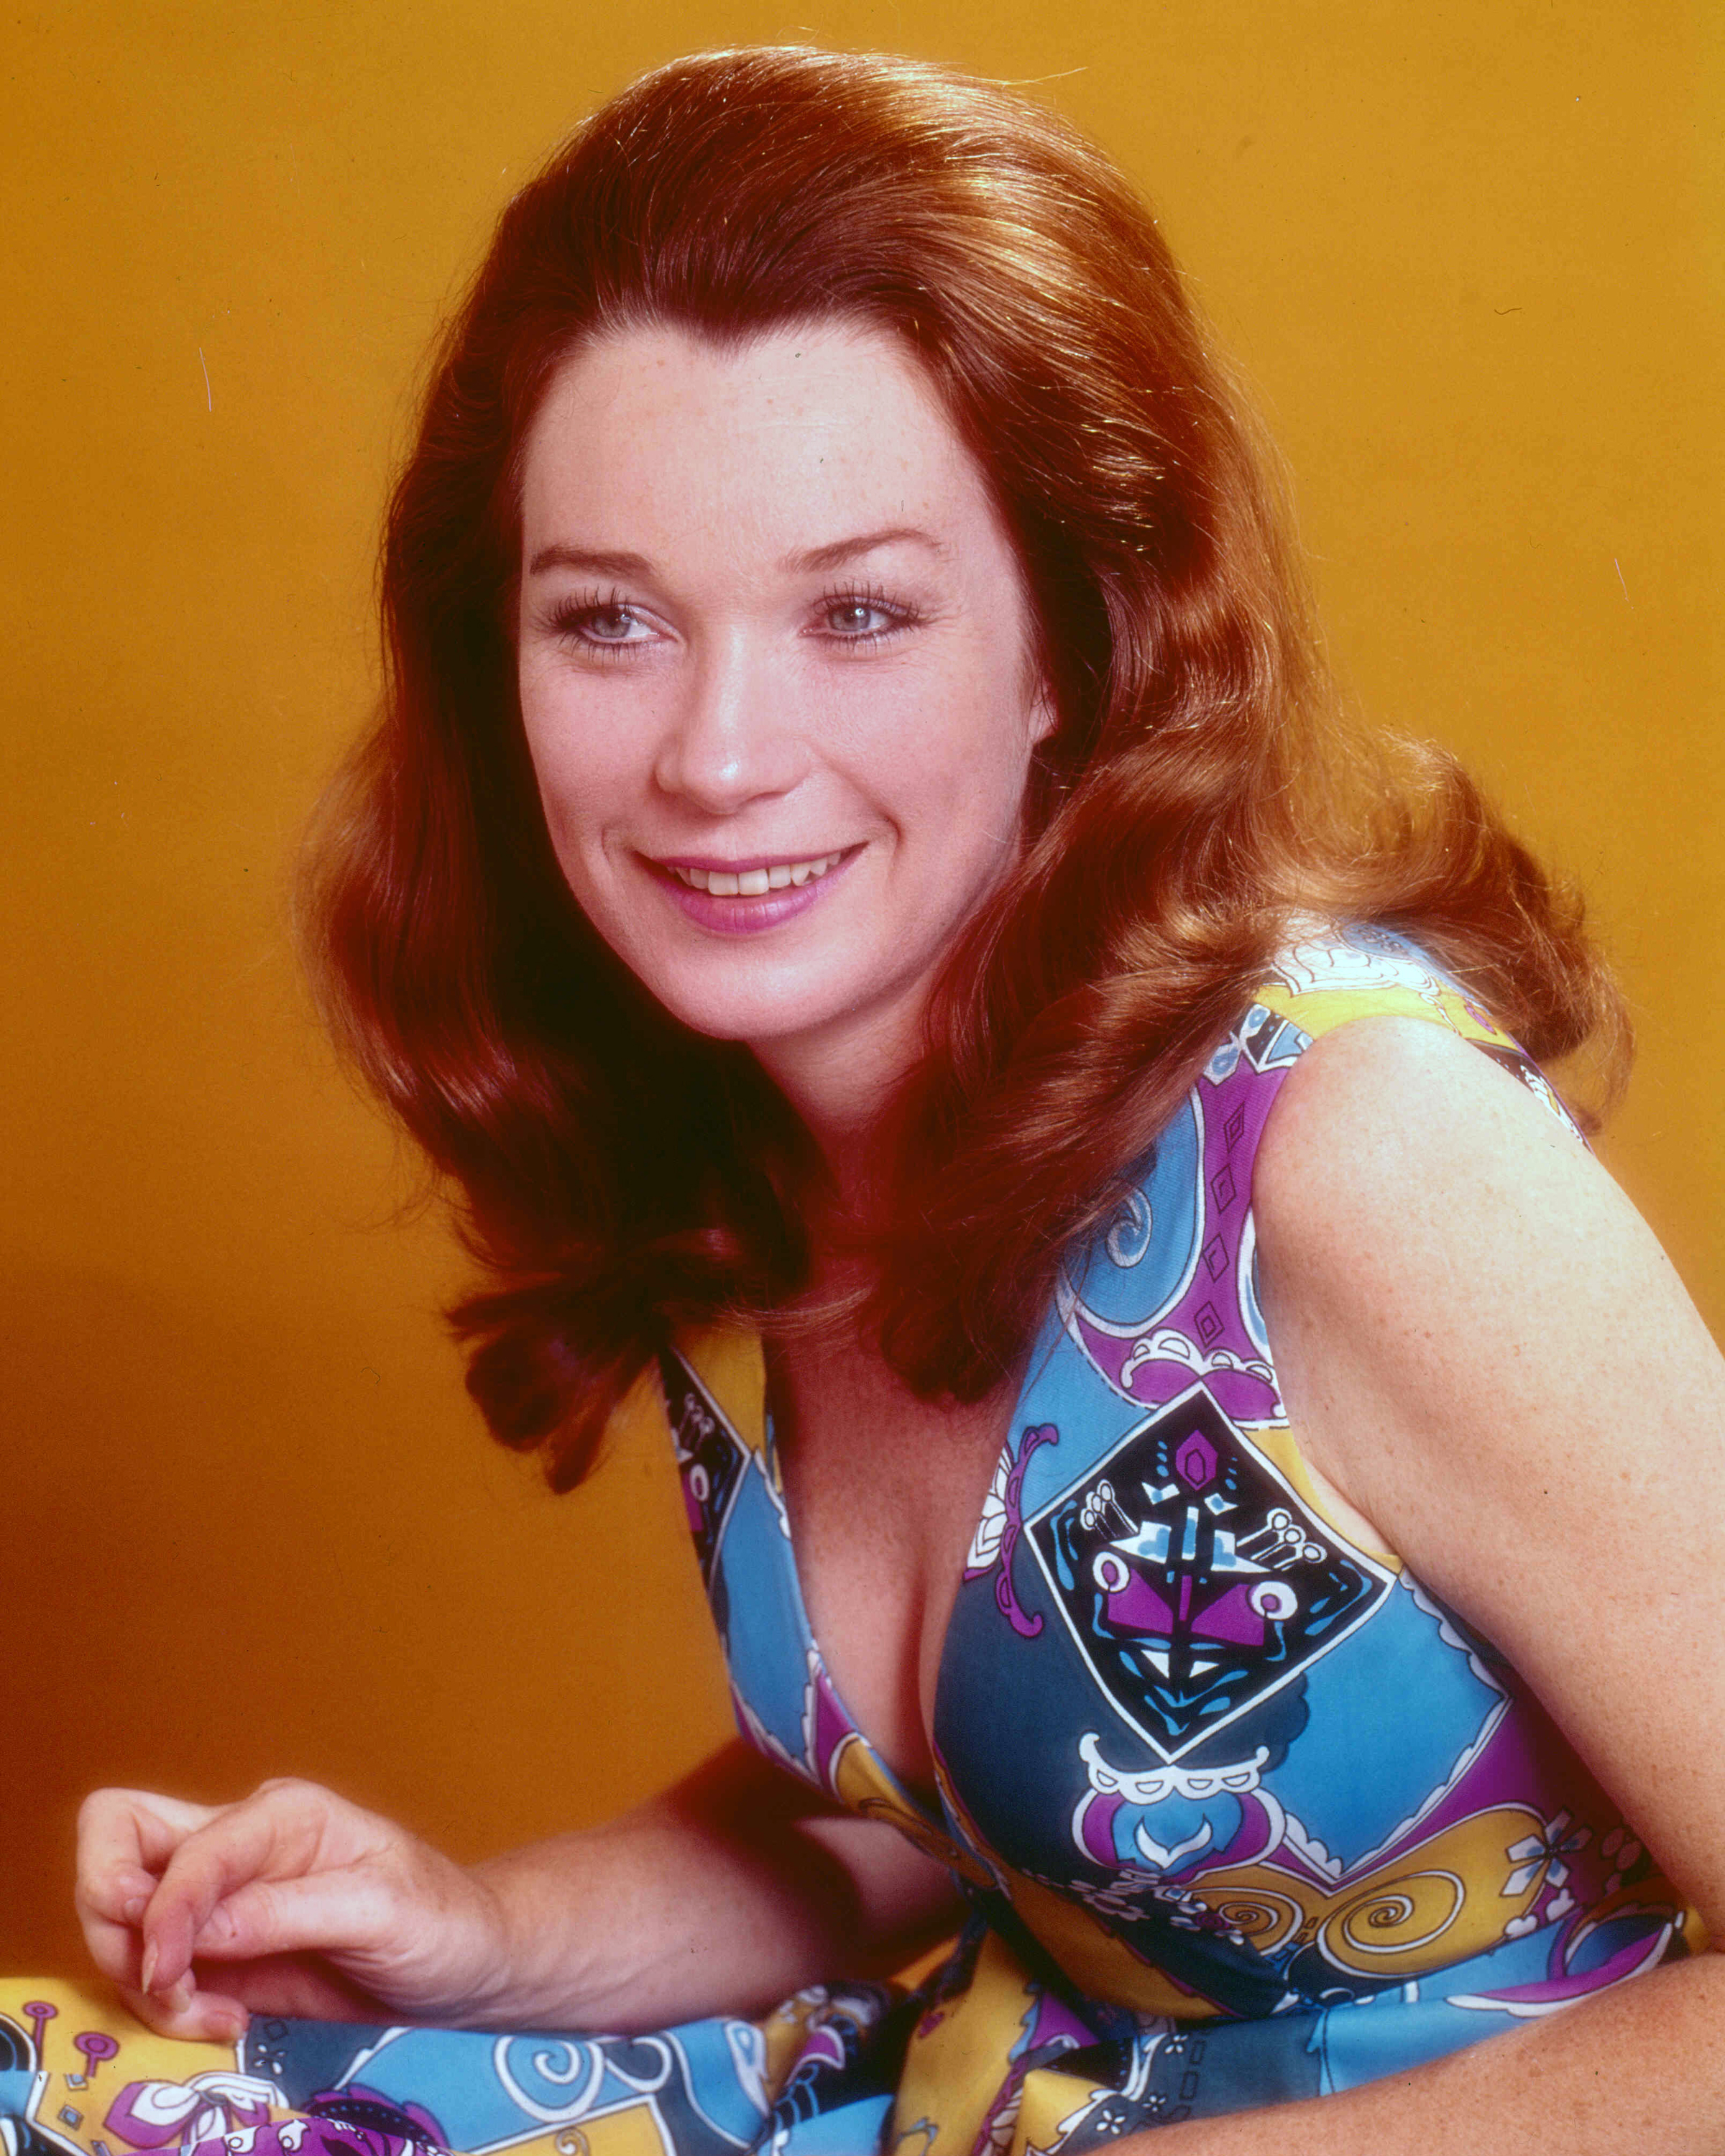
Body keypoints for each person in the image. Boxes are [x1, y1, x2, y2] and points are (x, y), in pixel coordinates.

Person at [9, 42, 1722, 2156]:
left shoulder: (1362, 1157)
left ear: (1074, 650)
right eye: (611, 621)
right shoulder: (742, 1133)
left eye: (860, 613)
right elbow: (967, 1823)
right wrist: (476, 1932)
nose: (719, 758)